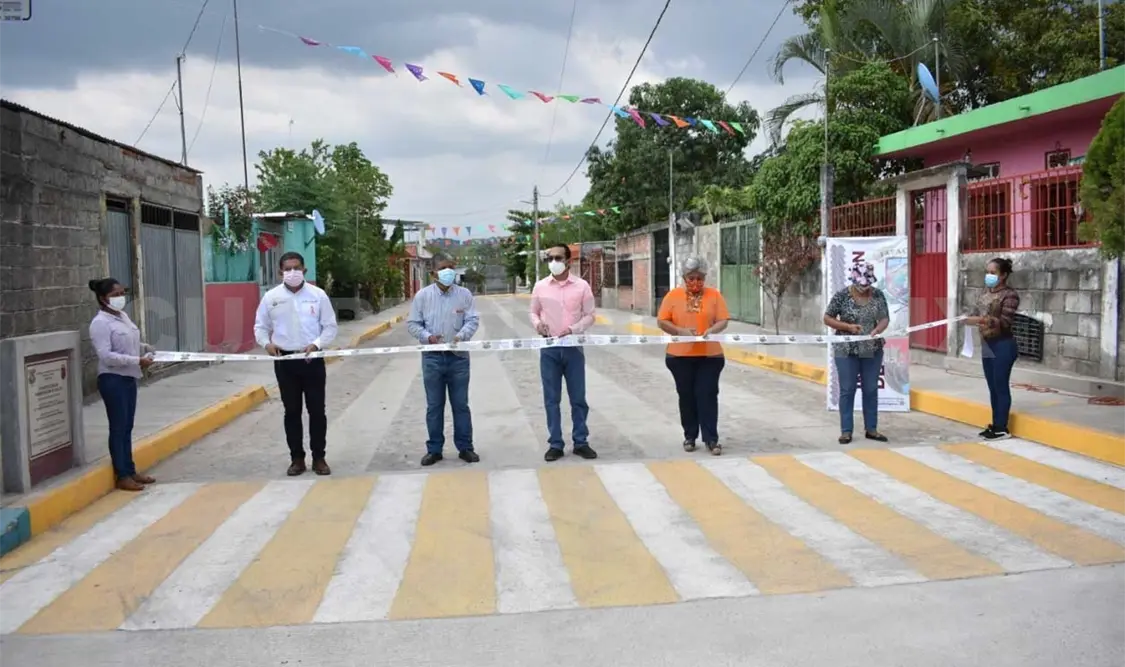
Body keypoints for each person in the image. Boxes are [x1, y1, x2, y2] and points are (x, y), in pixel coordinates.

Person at [253, 251, 338, 476]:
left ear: (304, 270)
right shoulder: (271, 297)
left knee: (317, 411)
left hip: (312, 360)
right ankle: (297, 459)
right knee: (292, 411)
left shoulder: (318, 295)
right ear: (280, 271)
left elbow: (330, 326)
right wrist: (266, 344)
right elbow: (260, 326)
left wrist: (317, 344)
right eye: (287, 269)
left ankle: (319, 458)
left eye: (296, 268)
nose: (292, 273)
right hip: (285, 362)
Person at [407, 258, 481, 466]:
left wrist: (463, 335)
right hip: (432, 357)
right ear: (433, 274)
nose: (448, 271)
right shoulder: (423, 296)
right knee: (434, 406)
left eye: (450, 268)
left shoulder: (464, 295)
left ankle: (466, 447)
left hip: (458, 358)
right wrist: (427, 336)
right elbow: (413, 323)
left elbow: (472, 319)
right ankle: (434, 449)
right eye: (442, 268)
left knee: (460, 405)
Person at [530, 244, 597, 462]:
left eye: (558, 258)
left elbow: (590, 315)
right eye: (549, 258)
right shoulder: (540, 287)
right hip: (549, 349)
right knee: (551, 398)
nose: (553, 262)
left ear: (568, 261)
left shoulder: (582, 286)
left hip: (573, 347)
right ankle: (555, 443)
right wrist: (538, 324)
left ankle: (581, 441)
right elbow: (533, 312)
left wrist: (573, 329)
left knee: (578, 398)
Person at [656, 257, 730, 455]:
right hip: (679, 357)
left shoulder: (714, 295)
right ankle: (690, 436)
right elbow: (662, 321)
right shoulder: (673, 296)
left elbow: (723, 320)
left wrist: (712, 330)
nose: (695, 282)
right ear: (684, 278)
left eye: (699, 278)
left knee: (707, 395)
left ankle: (711, 439)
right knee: (686, 396)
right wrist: (680, 331)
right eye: (691, 278)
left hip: (710, 356)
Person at [88, 277, 155, 492]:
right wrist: (137, 360)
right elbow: (106, 356)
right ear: (102, 298)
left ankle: (130, 469)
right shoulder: (100, 323)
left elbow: (131, 343)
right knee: (118, 428)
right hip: (112, 379)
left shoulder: (123, 316)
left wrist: (145, 348)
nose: (120, 298)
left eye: (121, 293)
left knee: (127, 427)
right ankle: (122, 475)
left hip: (128, 378)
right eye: (114, 295)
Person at [823, 262, 890, 444]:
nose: (864, 289)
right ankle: (846, 431)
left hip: (871, 349)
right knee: (847, 389)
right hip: (846, 349)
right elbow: (827, 318)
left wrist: (878, 329)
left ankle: (872, 429)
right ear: (853, 281)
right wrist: (847, 327)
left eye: (866, 285)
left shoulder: (877, 295)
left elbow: (884, 318)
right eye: (861, 286)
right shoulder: (842, 296)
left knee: (870, 389)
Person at [965, 257, 1020, 440]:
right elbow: (975, 313)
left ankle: (1002, 427)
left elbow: (1005, 322)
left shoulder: (1010, 295)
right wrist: (967, 318)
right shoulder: (984, 293)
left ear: (1003, 275)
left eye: (993, 273)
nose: (988, 276)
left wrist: (983, 320)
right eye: (987, 272)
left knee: (1000, 385)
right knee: (992, 387)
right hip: (987, 345)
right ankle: (995, 423)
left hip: (1003, 344)